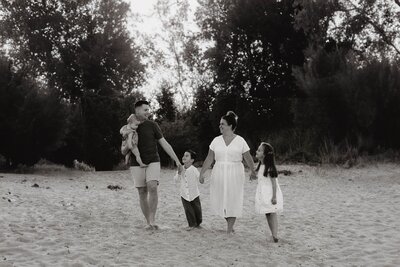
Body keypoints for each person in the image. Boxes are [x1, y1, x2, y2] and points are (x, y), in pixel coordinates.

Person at [199, 111, 256, 234]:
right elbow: (209, 158)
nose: (220, 126)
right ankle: (230, 224)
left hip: (235, 172)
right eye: (220, 124)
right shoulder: (216, 140)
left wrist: (253, 170)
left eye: (222, 124)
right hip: (219, 172)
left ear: (230, 126)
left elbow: (248, 157)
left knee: (233, 199)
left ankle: (229, 229)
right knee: (221, 200)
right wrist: (201, 173)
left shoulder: (240, 140)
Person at [129, 100, 183, 230]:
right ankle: (148, 222)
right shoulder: (130, 126)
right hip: (136, 163)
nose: (148, 112)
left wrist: (176, 160)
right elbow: (126, 144)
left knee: (152, 187)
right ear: (137, 111)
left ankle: (152, 220)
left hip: (153, 160)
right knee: (142, 191)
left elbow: (164, 143)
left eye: (148, 109)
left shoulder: (153, 125)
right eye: (145, 110)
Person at [254, 142, 283, 243]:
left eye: (259, 150)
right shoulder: (260, 166)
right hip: (263, 193)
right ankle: (272, 234)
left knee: (272, 212)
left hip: (270, 193)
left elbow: (274, 183)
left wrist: (274, 196)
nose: (256, 151)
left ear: (265, 154)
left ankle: (275, 235)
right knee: (267, 213)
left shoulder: (269, 168)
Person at [174, 150, 202, 231]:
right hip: (184, 194)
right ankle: (191, 224)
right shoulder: (180, 168)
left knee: (197, 209)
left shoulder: (194, 169)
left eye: (187, 156)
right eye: (183, 155)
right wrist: (179, 173)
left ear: (192, 160)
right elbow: (176, 180)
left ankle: (198, 223)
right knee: (188, 210)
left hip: (194, 194)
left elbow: (200, 178)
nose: (184, 157)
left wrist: (202, 179)